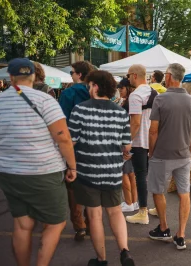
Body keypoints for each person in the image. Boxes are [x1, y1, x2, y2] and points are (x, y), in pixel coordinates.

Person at [0, 58, 76, 266]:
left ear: (10, 77)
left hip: (7, 172)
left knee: (22, 223)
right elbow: (63, 137)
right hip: (42, 171)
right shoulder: (45, 100)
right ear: (34, 77)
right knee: (56, 222)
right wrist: (72, 165)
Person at [69, 70, 134, 266]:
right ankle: (125, 252)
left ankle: (102, 259)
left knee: (95, 215)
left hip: (88, 172)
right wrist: (123, 153)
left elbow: (70, 141)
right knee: (115, 212)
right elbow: (127, 146)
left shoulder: (80, 110)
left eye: (90, 85)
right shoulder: (120, 112)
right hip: (113, 171)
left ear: (95, 86)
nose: (89, 89)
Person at [148, 63, 191, 250]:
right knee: (184, 193)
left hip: (162, 154)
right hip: (184, 155)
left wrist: (151, 151)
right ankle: (181, 235)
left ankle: (163, 228)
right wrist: (188, 149)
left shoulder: (160, 100)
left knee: (158, 190)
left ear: (168, 76)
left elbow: (153, 131)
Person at [59, 60, 93, 241]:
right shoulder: (96, 92)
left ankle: (79, 224)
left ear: (79, 74)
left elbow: (61, 121)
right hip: (95, 145)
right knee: (91, 183)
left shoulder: (68, 93)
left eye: (72, 72)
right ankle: (92, 220)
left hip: (73, 145)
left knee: (72, 184)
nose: (71, 75)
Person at [125, 64, 157, 225]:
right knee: (152, 176)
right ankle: (157, 207)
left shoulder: (135, 95)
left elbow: (135, 123)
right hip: (153, 141)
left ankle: (142, 212)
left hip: (139, 141)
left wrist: (127, 142)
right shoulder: (155, 93)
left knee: (140, 177)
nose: (127, 78)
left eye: (128, 75)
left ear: (135, 75)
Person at [117, 78, 139, 212]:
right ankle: (134, 202)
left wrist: (127, 143)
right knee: (130, 173)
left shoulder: (129, 103)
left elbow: (131, 123)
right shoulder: (131, 101)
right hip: (133, 141)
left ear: (128, 88)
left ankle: (129, 202)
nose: (120, 91)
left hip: (126, 141)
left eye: (122, 89)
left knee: (124, 173)